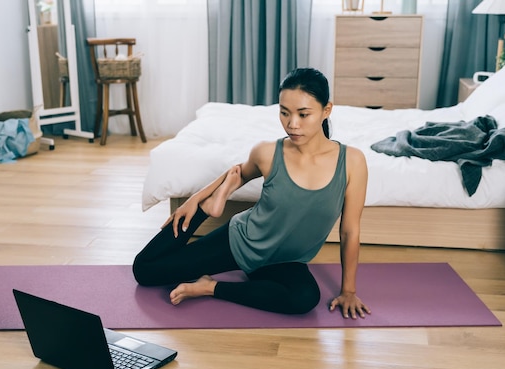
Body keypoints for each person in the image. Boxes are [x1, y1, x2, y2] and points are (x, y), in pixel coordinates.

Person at [133, 67, 370, 319]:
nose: (292, 124)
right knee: (145, 271)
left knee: (305, 299)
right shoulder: (268, 153)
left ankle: (209, 287)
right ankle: (207, 210)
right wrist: (195, 201)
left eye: (303, 114)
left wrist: (349, 291)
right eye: (284, 112)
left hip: (284, 261)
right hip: (242, 241)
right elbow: (238, 173)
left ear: (326, 110)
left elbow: (350, 230)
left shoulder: (352, 162)